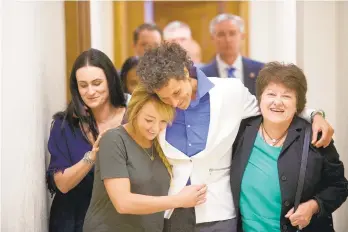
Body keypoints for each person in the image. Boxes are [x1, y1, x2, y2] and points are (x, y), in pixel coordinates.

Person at [135, 42, 334, 232]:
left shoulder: (230, 92)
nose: (174, 102)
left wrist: (314, 114)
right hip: (171, 211)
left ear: (185, 73)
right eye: (165, 98)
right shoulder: (153, 104)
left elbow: (272, 107)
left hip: (219, 212)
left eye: (177, 93)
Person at [230, 62, 348, 232]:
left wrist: (314, 206)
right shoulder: (240, 132)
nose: (277, 102)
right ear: (260, 99)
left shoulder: (315, 137)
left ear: (298, 105)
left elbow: (339, 186)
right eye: (271, 94)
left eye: (286, 96)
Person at [83, 85, 207, 232]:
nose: (155, 128)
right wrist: (179, 200)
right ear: (134, 112)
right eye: (149, 120)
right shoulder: (114, 140)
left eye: (162, 122)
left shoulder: (161, 143)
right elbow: (123, 203)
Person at [46, 48, 127, 232]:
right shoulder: (65, 125)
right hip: (72, 221)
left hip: (119, 222)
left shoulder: (132, 119)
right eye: (83, 85)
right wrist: (92, 156)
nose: (90, 91)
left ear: (110, 80)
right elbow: (62, 185)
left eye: (97, 83)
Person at [201, 13, 264, 95]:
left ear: (242, 36)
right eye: (221, 34)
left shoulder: (260, 70)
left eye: (232, 33)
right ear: (212, 38)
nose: (227, 39)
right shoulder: (202, 75)